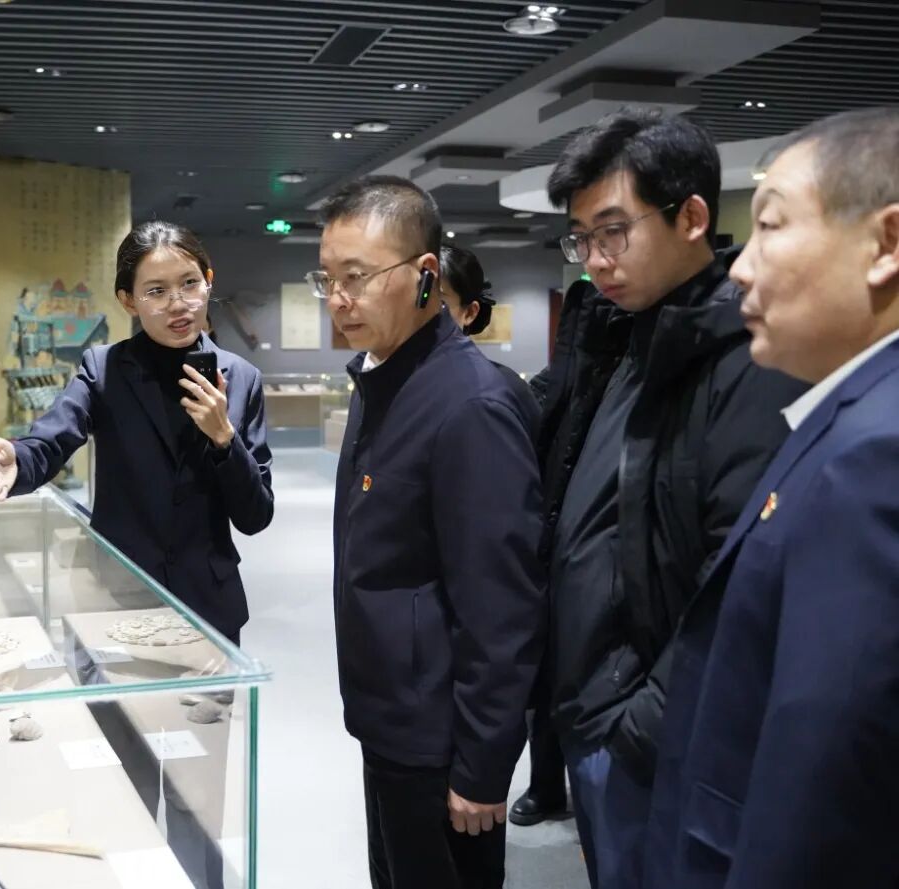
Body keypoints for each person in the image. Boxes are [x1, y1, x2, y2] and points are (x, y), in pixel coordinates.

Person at [532, 107, 806, 889]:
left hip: (650, 737)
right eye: (581, 239)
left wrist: (639, 728)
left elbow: (737, 587)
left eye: (614, 232)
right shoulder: (628, 337)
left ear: (691, 217)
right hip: (594, 713)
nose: (595, 260)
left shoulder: (747, 359)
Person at [644, 107, 899, 889]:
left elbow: (825, 773)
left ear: (887, 244)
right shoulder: (852, 414)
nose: (741, 268)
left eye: (771, 226)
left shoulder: (877, 453)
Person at [314, 176, 545, 889]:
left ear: (424, 275)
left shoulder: (469, 405)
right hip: (389, 717)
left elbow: (502, 606)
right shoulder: (383, 379)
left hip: (438, 737)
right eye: (327, 279)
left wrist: (482, 763)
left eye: (357, 277)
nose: (338, 299)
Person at [0, 221, 274, 643]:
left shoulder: (243, 378)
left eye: (190, 283)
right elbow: (54, 436)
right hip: (117, 595)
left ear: (208, 282)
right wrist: (19, 459)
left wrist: (224, 438)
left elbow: (255, 515)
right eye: (157, 291)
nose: (178, 304)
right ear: (128, 301)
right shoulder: (104, 370)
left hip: (207, 602)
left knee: (207, 692)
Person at [440, 243, 569, 827]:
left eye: (438, 301)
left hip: (467, 664)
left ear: (469, 311)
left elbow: (500, 584)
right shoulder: (413, 386)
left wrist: (483, 761)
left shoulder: (483, 398)